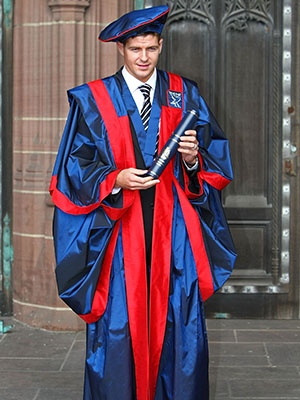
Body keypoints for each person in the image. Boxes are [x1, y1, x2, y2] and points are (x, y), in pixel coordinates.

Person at [49, 5, 236, 400]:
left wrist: (191, 158)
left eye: (152, 48)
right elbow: (74, 167)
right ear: (122, 48)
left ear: (161, 44)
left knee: (178, 328)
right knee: (119, 329)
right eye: (136, 49)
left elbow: (213, 157)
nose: (144, 58)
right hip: (121, 232)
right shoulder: (94, 99)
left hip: (173, 235)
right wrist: (115, 177)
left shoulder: (183, 93)